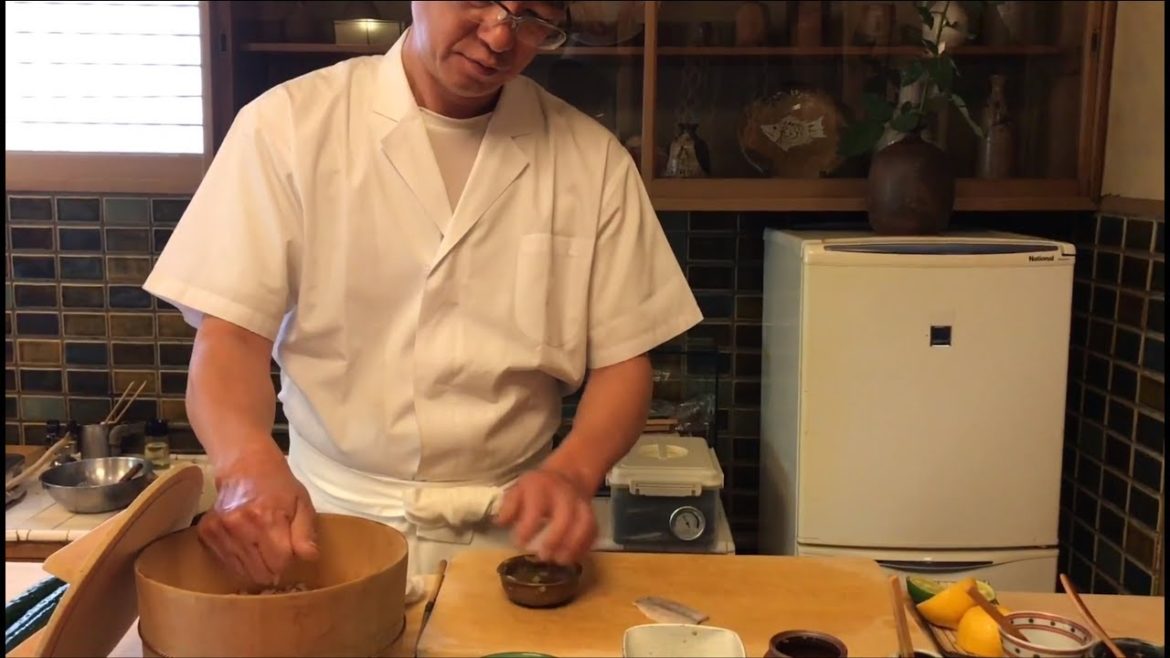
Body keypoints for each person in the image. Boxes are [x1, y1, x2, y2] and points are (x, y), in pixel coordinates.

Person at [143, 0, 701, 587]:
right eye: (481, 1)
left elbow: (624, 360)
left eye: (532, 17)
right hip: (327, 527)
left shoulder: (592, 160)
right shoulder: (287, 127)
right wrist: (247, 464)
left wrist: (572, 472)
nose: (498, 37)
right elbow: (230, 337)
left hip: (514, 535)